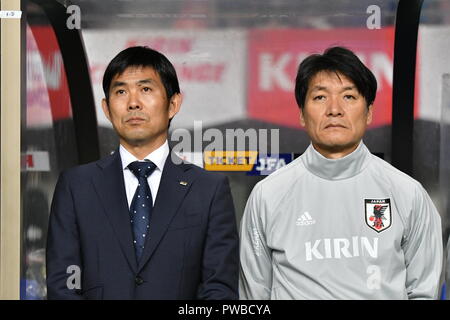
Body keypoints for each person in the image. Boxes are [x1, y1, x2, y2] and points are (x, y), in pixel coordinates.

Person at [239, 46, 443, 299]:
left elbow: (424, 291)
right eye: (320, 97)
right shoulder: (268, 195)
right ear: (302, 114)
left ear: (369, 112)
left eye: (348, 96)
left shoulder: (407, 193)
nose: (334, 109)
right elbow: (254, 295)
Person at [46, 46, 239, 299]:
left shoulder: (209, 190)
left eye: (146, 89)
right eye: (121, 91)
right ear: (106, 108)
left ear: (173, 104)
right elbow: (62, 287)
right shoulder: (76, 186)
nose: (133, 102)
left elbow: (219, 289)